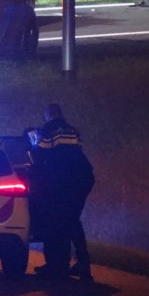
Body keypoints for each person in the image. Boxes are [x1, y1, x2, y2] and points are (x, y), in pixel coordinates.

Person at [26, 103, 95, 282]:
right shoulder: (73, 130)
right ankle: (79, 263)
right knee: (71, 221)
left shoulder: (47, 131)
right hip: (81, 179)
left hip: (61, 182)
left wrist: (33, 141)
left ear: (48, 115)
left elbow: (40, 155)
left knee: (54, 222)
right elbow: (75, 153)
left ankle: (56, 265)